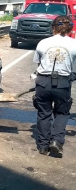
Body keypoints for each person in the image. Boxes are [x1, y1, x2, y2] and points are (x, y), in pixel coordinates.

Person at [33, 15, 76, 157]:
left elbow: (39, 64)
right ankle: (56, 141)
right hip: (63, 83)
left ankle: (43, 146)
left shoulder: (42, 43)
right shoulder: (74, 44)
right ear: (69, 28)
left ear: (53, 27)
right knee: (62, 113)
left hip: (43, 82)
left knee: (43, 113)